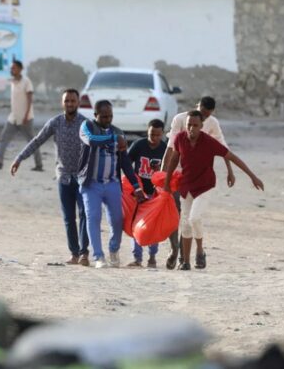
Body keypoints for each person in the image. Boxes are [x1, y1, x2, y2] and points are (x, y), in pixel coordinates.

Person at [163, 110, 264, 271]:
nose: (191, 128)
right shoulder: (180, 138)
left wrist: (252, 176)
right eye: (189, 125)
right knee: (185, 223)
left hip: (205, 185)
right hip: (186, 185)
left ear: (202, 126)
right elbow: (174, 159)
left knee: (194, 218)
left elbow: (231, 157)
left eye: (195, 125)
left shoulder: (209, 142)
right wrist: (166, 182)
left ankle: (200, 250)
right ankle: (186, 262)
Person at [10, 89, 90, 266]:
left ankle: (85, 253)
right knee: (69, 218)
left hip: (83, 178)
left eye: (72, 101)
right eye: (66, 101)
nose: (69, 104)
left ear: (78, 103)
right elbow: (37, 141)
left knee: (85, 214)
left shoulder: (86, 124)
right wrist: (19, 158)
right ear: (62, 103)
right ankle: (74, 253)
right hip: (63, 178)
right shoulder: (55, 123)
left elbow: (97, 147)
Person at [161, 96, 235, 269]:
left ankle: (186, 257)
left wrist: (230, 171)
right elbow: (170, 148)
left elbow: (223, 148)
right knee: (177, 215)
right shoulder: (180, 119)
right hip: (178, 175)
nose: (203, 117)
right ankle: (175, 251)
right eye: (201, 112)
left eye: (206, 115)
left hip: (198, 176)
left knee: (190, 218)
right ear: (197, 106)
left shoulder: (212, 123)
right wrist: (163, 174)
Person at [78, 100, 146, 269]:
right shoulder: (87, 127)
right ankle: (98, 257)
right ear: (95, 115)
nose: (108, 119)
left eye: (110, 116)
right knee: (93, 218)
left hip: (112, 184)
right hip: (91, 184)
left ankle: (113, 250)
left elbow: (125, 163)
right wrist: (114, 139)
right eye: (104, 116)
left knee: (117, 220)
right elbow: (92, 141)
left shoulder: (118, 132)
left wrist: (136, 186)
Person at [126, 119, 167, 268]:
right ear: (147, 131)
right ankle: (137, 258)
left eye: (157, 135)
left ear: (162, 134)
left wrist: (159, 171)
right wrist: (133, 186)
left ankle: (152, 256)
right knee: (136, 225)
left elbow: (168, 172)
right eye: (151, 134)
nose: (154, 138)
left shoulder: (165, 149)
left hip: (155, 193)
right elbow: (126, 164)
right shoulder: (139, 145)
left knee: (152, 226)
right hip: (139, 192)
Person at [0, 60, 42, 171]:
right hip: (13, 117)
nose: (11, 70)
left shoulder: (26, 82)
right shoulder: (13, 82)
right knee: (3, 138)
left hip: (25, 119)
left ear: (20, 69)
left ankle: (39, 164)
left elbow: (29, 100)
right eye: (11, 68)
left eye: (13, 68)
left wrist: (26, 116)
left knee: (32, 142)